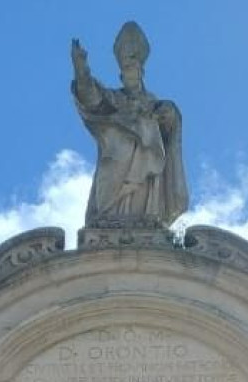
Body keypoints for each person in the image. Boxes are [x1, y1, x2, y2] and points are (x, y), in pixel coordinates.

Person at [70, 23, 188, 228]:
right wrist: (82, 71)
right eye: (125, 70)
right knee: (118, 148)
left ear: (141, 72)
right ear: (120, 76)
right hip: (115, 163)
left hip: (148, 168)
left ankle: (148, 221)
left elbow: (171, 123)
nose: (129, 73)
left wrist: (168, 115)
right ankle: (107, 220)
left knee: (148, 140)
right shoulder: (114, 99)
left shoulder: (155, 104)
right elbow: (91, 99)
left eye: (132, 68)